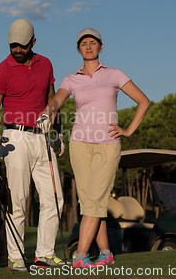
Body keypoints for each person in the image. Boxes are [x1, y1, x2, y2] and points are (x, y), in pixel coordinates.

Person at [37, 28, 150, 268]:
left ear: (100, 47)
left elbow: (143, 101)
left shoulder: (115, 74)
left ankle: (80, 256)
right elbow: (57, 98)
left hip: (108, 145)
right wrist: (48, 112)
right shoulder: (71, 79)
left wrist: (128, 130)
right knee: (89, 202)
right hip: (79, 145)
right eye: (83, 43)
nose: (88, 46)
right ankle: (106, 253)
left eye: (93, 43)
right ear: (78, 49)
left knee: (96, 199)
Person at [0, 19, 66, 272]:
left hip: (42, 137)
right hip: (14, 139)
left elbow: (51, 99)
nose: (16, 50)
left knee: (55, 199)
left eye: (22, 46)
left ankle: (45, 254)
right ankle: (16, 258)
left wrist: (57, 133)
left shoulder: (45, 63)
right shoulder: (1, 70)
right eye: (13, 45)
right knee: (18, 201)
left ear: (33, 42)